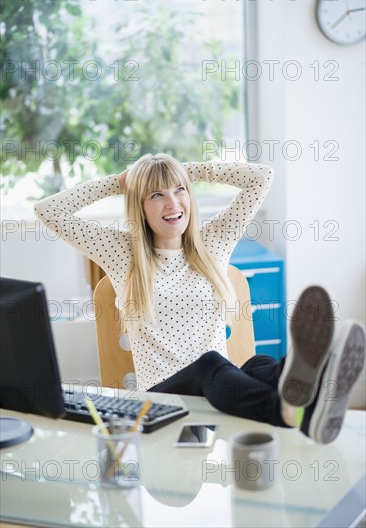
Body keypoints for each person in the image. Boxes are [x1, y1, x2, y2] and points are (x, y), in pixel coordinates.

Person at [34, 153, 365, 444]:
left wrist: (184, 171)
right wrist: (120, 182)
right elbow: (48, 210)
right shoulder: (123, 253)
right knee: (211, 364)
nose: (173, 203)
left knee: (258, 364)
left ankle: (311, 401)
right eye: (156, 194)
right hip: (160, 403)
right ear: (139, 204)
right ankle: (286, 411)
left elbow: (261, 177)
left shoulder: (213, 243)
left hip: (217, 391)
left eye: (179, 190)